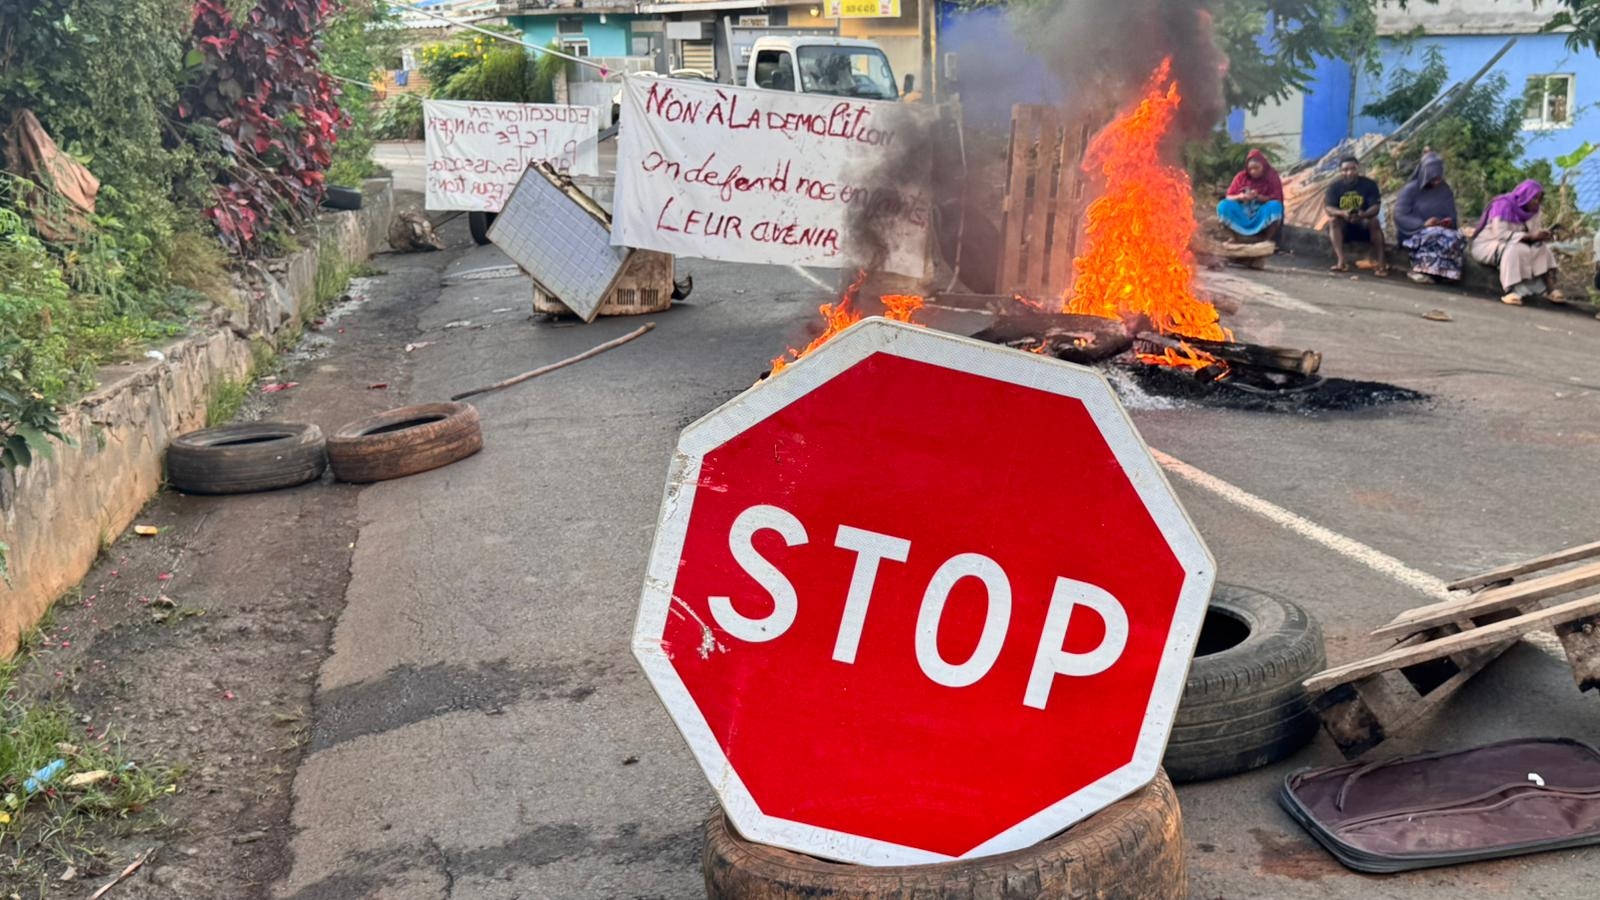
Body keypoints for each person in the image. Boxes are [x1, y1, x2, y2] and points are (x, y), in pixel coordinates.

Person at [1469, 179, 1564, 305]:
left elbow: (1533, 232)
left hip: (1519, 242)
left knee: (1541, 249)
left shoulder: (1535, 211)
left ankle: (1549, 289)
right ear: (1525, 196)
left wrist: (1540, 236)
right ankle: (1510, 291)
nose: (1537, 202)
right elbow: (1500, 234)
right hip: (1489, 243)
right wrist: (1529, 236)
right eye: (1534, 198)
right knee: (1514, 249)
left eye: (1539, 199)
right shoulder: (1502, 205)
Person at [1394, 152, 1466, 284]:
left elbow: (1452, 214)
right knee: (1434, 235)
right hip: (1414, 231)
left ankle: (1445, 273)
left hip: (1440, 229)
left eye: (1438, 177)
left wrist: (1448, 222)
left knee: (1456, 237)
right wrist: (1423, 224)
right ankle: (1418, 269)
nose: (1436, 181)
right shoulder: (1410, 190)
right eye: (1433, 178)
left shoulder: (1445, 190)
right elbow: (1400, 215)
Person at [1324, 156, 1387, 275]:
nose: (1349, 173)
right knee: (1333, 221)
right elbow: (1328, 208)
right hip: (1344, 227)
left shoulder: (1369, 185)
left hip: (1364, 225)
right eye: (1346, 170)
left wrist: (1363, 214)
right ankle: (1341, 261)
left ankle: (1381, 262)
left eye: (1353, 169)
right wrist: (1342, 213)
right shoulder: (1334, 187)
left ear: (1358, 169)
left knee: (1374, 221)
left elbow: (1375, 207)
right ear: (1340, 171)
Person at [1216, 149, 1284, 241]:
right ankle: (1235, 237)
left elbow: (1277, 197)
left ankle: (1267, 239)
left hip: (1261, 211)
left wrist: (1259, 197)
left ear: (1263, 166)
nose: (1253, 171)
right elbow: (1229, 196)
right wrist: (1241, 196)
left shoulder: (1272, 176)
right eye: (1250, 169)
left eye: (1256, 168)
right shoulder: (1241, 177)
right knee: (1223, 206)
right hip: (1242, 211)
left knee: (1275, 206)